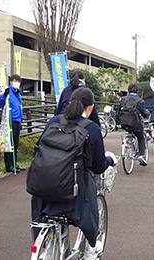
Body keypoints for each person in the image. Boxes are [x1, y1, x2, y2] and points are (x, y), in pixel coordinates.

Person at [31, 87, 117, 260]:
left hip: (42, 186)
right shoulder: (91, 128)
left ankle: (44, 243)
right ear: (91, 107)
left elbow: (38, 149)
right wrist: (110, 160)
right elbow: (98, 166)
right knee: (91, 195)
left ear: (70, 102)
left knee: (41, 216)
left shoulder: (54, 121)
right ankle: (91, 249)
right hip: (73, 191)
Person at [116, 84, 150, 166]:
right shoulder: (140, 101)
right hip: (136, 124)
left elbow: (117, 111)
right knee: (141, 137)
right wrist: (148, 114)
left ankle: (127, 144)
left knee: (129, 132)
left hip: (124, 123)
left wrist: (118, 121)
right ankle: (141, 155)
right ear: (137, 91)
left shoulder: (123, 99)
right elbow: (144, 113)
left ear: (128, 91)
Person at [0, 74, 24, 173]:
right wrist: (4, 95)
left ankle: (14, 163)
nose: (17, 83)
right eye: (15, 81)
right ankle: (9, 165)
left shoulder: (18, 94)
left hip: (17, 120)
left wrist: (21, 120)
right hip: (9, 120)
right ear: (11, 82)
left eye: (19, 81)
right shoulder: (8, 92)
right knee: (9, 143)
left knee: (15, 144)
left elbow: (19, 107)